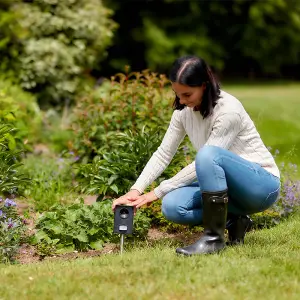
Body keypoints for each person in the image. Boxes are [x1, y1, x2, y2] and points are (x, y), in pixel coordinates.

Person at [112, 55, 281, 256]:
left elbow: (207, 158)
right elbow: (163, 154)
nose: (181, 101)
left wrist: (156, 192)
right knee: (172, 206)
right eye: (177, 94)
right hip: (227, 189)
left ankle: (213, 239)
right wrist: (136, 190)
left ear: (204, 85)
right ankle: (234, 221)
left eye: (187, 94)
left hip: (261, 186)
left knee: (208, 154)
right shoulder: (183, 112)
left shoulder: (229, 111)